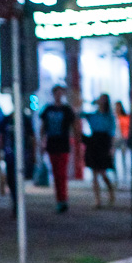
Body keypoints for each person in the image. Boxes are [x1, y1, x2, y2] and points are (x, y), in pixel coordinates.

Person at [40, 85, 80, 213]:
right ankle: (59, 198)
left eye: (60, 92)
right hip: (52, 144)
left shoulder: (67, 109)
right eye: (56, 92)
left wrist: (77, 140)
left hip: (63, 144)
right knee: (56, 172)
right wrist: (42, 142)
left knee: (62, 172)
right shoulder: (48, 109)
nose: (58, 95)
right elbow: (43, 127)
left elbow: (74, 125)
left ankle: (63, 199)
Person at [82, 94, 116, 209]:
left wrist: (112, 147)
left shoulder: (109, 117)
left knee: (102, 172)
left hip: (104, 143)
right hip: (94, 142)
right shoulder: (93, 115)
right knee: (94, 173)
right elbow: (79, 114)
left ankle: (110, 190)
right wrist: (89, 102)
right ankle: (98, 200)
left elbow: (112, 133)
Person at [114, 100, 131, 188]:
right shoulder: (113, 117)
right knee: (115, 160)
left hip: (123, 139)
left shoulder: (125, 117)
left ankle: (125, 179)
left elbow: (127, 129)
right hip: (115, 140)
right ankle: (116, 179)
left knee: (124, 160)